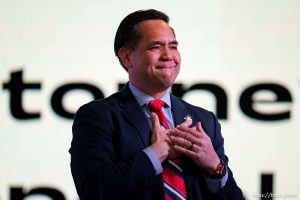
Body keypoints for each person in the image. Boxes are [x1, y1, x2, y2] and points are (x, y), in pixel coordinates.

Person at [69, 9, 243, 200]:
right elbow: (94, 190)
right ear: (127, 57)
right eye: (156, 47)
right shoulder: (99, 116)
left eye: (173, 46)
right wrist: (156, 153)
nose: (168, 55)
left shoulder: (205, 120)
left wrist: (214, 166)